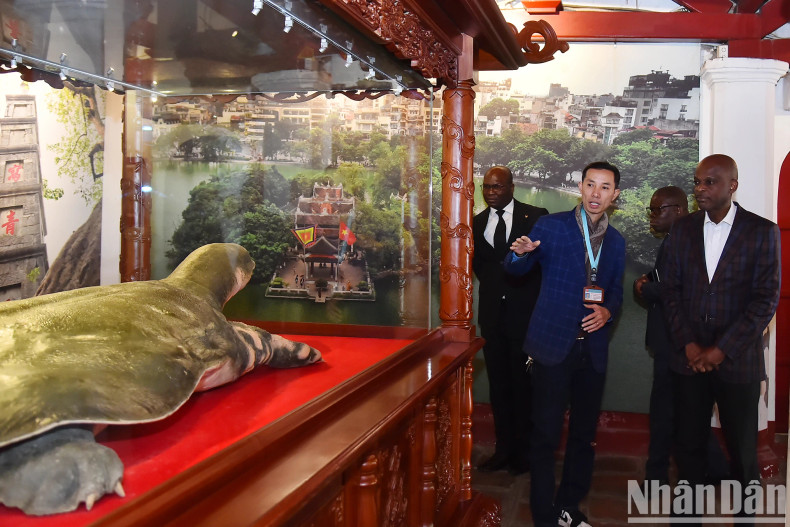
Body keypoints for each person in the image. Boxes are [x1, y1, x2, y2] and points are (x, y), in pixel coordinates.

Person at [504, 161, 625, 527]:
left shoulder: (617, 242)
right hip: (552, 346)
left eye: (605, 187)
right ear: (580, 186)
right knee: (545, 435)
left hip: (593, 349)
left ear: (615, 195)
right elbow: (516, 269)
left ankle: (568, 506)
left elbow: (616, 293)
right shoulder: (551, 226)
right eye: (590, 184)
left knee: (584, 436)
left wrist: (607, 311)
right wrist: (520, 253)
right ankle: (544, 514)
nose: (596, 193)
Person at [662, 154, 780, 517]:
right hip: (689, 360)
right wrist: (689, 344)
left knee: (743, 452)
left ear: (732, 185)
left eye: (710, 182)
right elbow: (671, 292)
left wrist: (721, 350)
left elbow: (766, 299)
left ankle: (746, 519)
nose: (700, 189)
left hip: (738, 362)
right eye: (697, 181)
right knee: (688, 446)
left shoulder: (761, 231)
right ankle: (687, 518)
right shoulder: (683, 229)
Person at [472, 165, 549, 475]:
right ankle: (503, 450)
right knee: (499, 385)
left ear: (511, 188)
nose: (491, 192)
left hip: (526, 316)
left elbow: (542, 262)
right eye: (487, 187)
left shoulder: (536, 216)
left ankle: (524, 453)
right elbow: (481, 267)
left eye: (498, 187)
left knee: (524, 385)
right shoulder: (476, 223)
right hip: (493, 317)